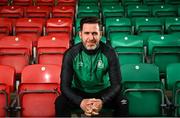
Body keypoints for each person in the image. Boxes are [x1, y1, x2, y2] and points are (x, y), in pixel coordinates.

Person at [55, 16, 128, 117]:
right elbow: (64, 86)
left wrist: (102, 101)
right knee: (60, 102)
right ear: (80, 35)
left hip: (103, 92)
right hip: (80, 92)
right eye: (86, 33)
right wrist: (81, 102)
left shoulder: (110, 53)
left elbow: (117, 85)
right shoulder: (70, 54)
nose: (91, 38)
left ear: (100, 34)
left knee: (123, 102)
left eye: (94, 33)